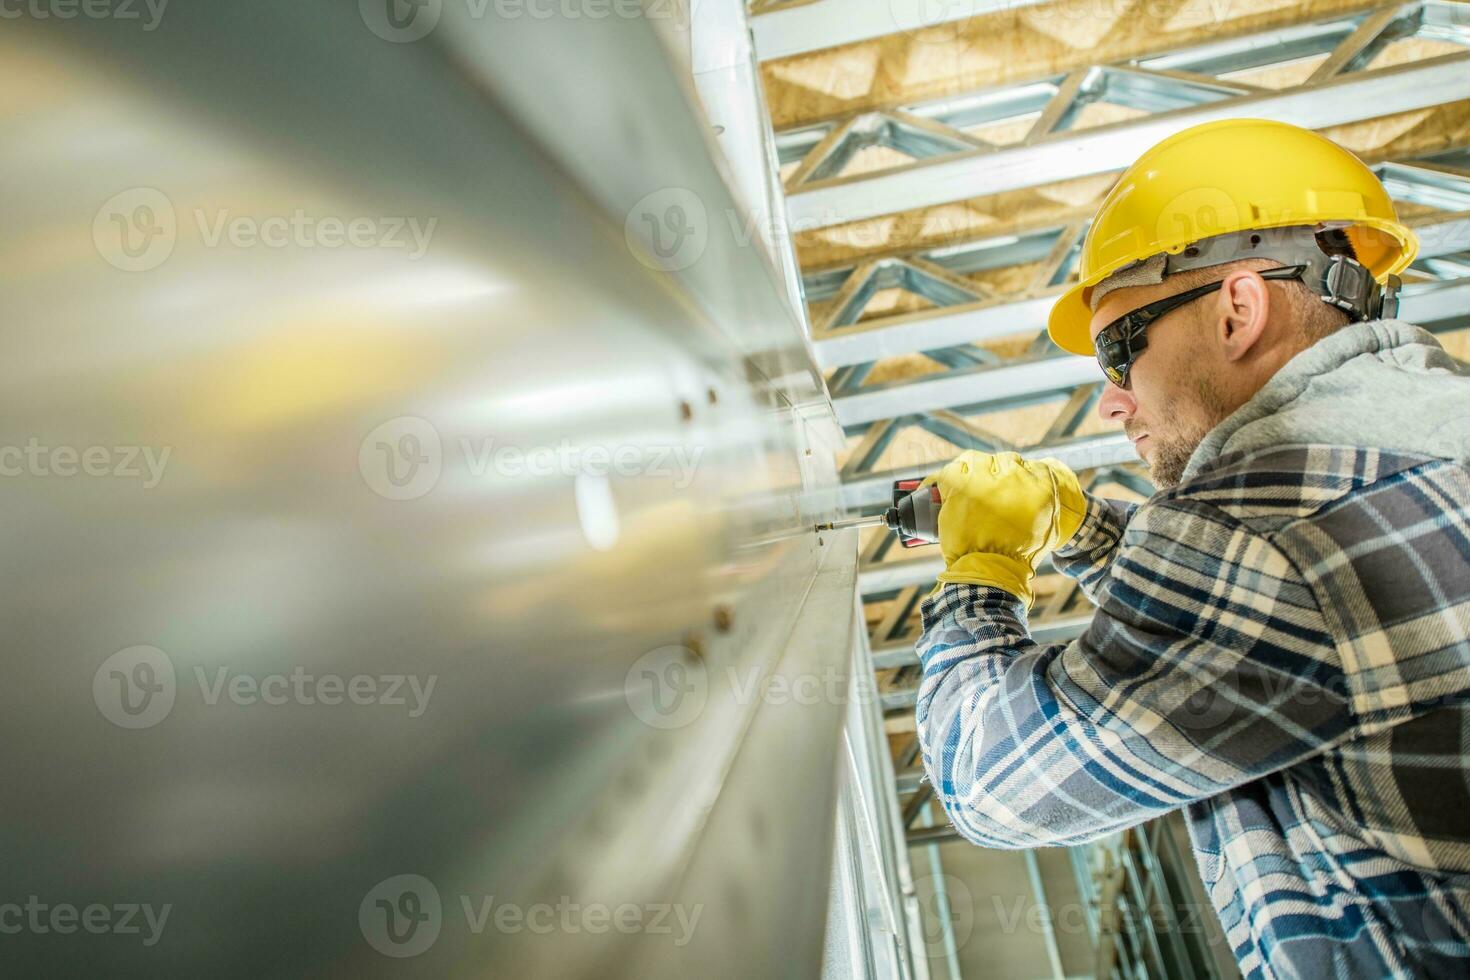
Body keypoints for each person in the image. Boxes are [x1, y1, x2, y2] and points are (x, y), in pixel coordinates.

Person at [914, 118, 1470, 978]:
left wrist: (978, 575)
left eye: (1118, 350)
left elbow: (991, 781)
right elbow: (1291, 639)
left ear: (1238, 311)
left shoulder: (1266, 528)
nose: (1112, 403)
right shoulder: (1419, 445)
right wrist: (1086, 532)